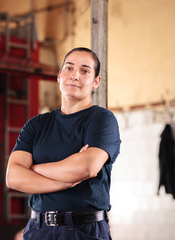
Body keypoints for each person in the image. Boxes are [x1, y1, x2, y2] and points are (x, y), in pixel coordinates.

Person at [6, 47, 121, 240]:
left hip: (83, 230)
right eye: (69, 68)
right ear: (59, 77)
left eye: (85, 71)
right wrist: (66, 181)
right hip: (38, 230)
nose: (75, 75)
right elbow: (13, 177)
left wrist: (33, 168)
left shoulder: (101, 119)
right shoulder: (36, 125)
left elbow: (87, 168)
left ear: (96, 82)